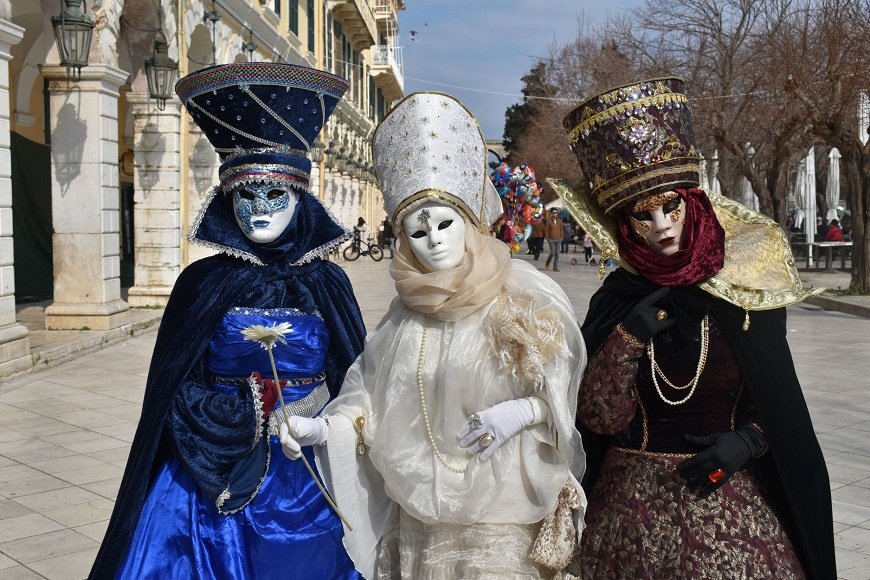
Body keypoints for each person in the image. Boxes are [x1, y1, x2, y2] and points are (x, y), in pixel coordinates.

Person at [279, 92, 588, 579]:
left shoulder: (522, 296)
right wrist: (325, 429)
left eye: (447, 224)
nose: (436, 240)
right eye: (419, 233)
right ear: (402, 240)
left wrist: (524, 411)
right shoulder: (404, 317)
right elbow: (369, 394)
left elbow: (564, 380)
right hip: (422, 514)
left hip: (505, 506)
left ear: (469, 225)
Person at [549, 77, 835, 579]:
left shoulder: (744, 292)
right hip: (628, 520)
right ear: (622, 223)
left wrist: (748, 442)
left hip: (729, 498)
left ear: (691, 202)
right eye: (643, 215)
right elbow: (595, 417)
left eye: (670, 207)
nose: (661, 225)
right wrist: (627, 338)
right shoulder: (617, 300)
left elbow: (779, 405)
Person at [89, 63, 366, 579]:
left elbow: (360, 383)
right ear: (226, 199)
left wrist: (322, 422)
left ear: (300, 199)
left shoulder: (327, 283)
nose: (260, 208)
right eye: (246, 195)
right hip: (208, 467)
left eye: (274, 195)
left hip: (308, 462)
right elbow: (175, 388)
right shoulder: (202, 283)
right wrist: (240, 413)